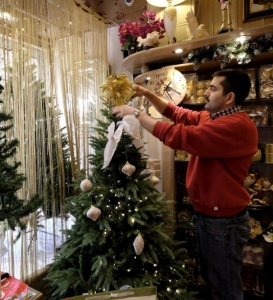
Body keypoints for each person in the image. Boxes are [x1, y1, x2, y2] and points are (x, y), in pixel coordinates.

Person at [111, 69, 258, 300]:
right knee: (216, 280)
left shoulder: (235, 126)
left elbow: (178, 135)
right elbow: (176, 113)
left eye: (213, 88)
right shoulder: (214, 117)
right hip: (211, 218)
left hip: (223, 223)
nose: (207, 93)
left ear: (229, 97)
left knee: (225, 287)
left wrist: (136, 114)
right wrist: (146, 94)